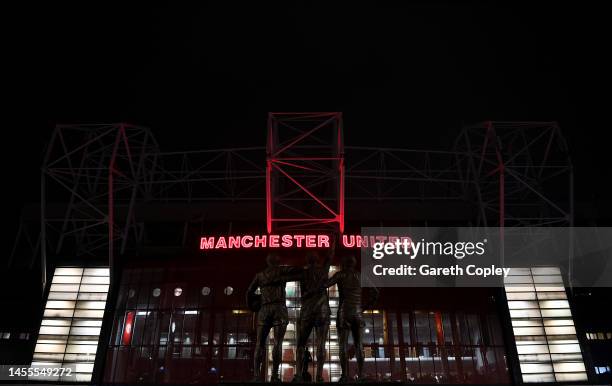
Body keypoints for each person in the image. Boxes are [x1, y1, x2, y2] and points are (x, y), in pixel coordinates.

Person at [316, 255, 378, 382]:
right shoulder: (361, 275)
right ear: (354, 264)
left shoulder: (340, 274)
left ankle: (344, 375)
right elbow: (375, 292)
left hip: (344, 313)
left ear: (344, 263)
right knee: (358, 345)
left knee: (342, 345)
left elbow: (325, 285)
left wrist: (320, 277)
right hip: (357, 312)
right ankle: (361, 375)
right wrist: (364, 307)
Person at [247, 253, 301, 382]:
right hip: (279, 309)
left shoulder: (260, 275)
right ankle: (275, 376)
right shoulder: (281, 270)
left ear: (268, 262)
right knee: (278, 343)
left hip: (264, 309)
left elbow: (249, 291)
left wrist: (253, 305)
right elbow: (296, 269)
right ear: (278, 262)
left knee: (259, 343)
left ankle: (256, 376)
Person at [292, 237, 335, 383]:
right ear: (317, 260)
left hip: (307, 310)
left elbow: (302, 293)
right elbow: (330, 255)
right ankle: (319, 376)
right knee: (321, 343)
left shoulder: (303, 273)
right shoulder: (323, 269)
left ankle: (298, 375)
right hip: (322, 310)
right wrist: (334, 239)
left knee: (300, 344)